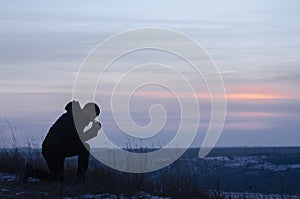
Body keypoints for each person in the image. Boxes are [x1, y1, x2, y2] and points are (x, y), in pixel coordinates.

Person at [20, 101, 101, 183]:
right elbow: (79, 139)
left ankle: (30, 172)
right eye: (93, 116)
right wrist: (93, 131)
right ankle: (80, 178)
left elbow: (76, 138)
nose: (92, 120)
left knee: (56, 179)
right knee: (85, 147)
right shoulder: (75, 117)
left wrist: (93, 131)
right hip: (54, 148)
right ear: (88, 111)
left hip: (52, 148)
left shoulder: (76, 116)